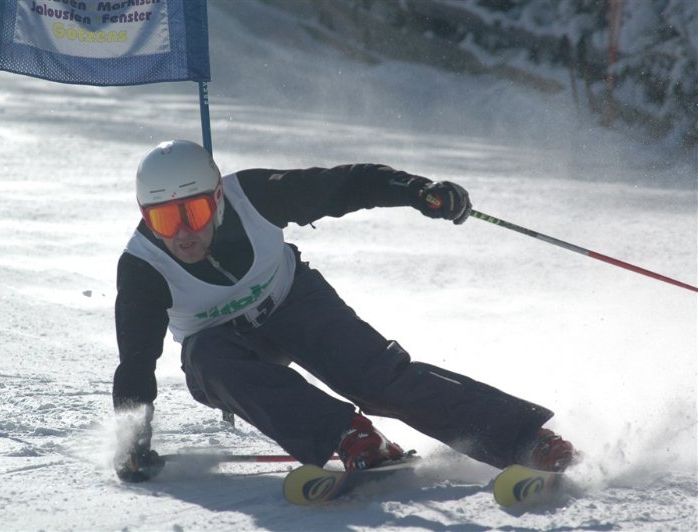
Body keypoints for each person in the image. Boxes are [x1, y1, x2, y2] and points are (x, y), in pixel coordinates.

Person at [112, 139, 576, 482]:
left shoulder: (254, 196)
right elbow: (135, 362)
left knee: (378, 379)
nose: (181, 233)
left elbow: (347, 184)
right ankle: (349, 436)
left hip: (294, 302)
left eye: (191, 213)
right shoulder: (142, 267)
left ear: (216, 199)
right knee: (208, 360)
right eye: (163, 219)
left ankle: (525, 439)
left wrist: (418, 192)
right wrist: (132, 441)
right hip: (225, 349)